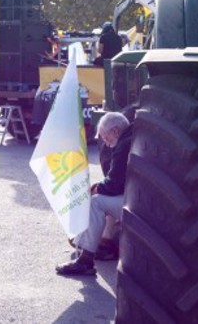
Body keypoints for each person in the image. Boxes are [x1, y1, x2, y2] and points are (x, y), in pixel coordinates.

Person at [56, 112, 133, 276]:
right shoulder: (132, 137)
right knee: (101, 198)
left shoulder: (123, 145)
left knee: (96, 201)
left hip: (136, 204)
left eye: (106, 137)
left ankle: (85, 259)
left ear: (116, 131)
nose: (106, 142)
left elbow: (113, 185)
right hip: (137, 198)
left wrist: (93, 189)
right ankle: (91, 241)